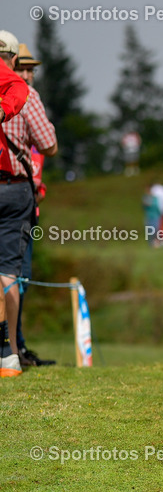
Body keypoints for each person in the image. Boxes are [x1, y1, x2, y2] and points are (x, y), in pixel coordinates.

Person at [11, 44, 57, 367]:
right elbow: (49, 144)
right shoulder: (20, 102)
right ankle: (12, 348)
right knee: (12, 276)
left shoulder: (28, 105)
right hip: (14, 201)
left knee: (21, 279)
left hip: (28, 203)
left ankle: (18, 345)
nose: (28, 74)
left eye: (31, 70)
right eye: (23, 68)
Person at [0, 31, 32, 377]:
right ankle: (8, 353)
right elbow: (48, 142)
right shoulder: (11, 77)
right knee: (7, 271)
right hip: (11, 186)